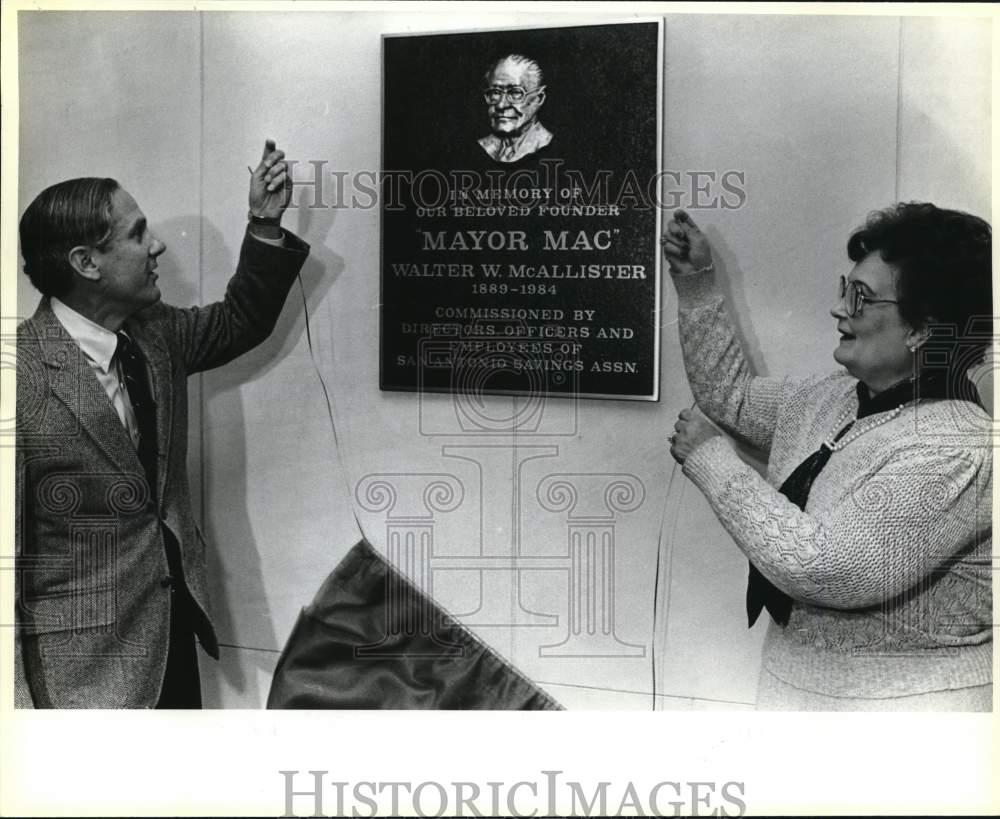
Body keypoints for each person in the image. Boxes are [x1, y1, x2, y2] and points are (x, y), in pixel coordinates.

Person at [15, 140, 310, 708]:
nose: (157, 245)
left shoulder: (155, 333)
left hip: (170, 638)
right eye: (136, 234)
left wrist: (264, 222)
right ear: (86, 263)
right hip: (78, 685)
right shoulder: (19, 379)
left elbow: (239, 322)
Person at [661, 204, 992, 711]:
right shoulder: (831, 396)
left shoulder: (956, 448)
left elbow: (825, 568)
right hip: (792, 691)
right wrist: (696, 282)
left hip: (908, 717)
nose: (839, 309)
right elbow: (732, 398)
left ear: (921, 330)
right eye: (845, 289)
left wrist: (711, 461)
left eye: (860, 297)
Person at [478, 54, 553, 164]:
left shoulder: (543, 143)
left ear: (539, 97)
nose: (501, 105)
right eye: (495, 92)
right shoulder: (483, 146)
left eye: (515, 92)